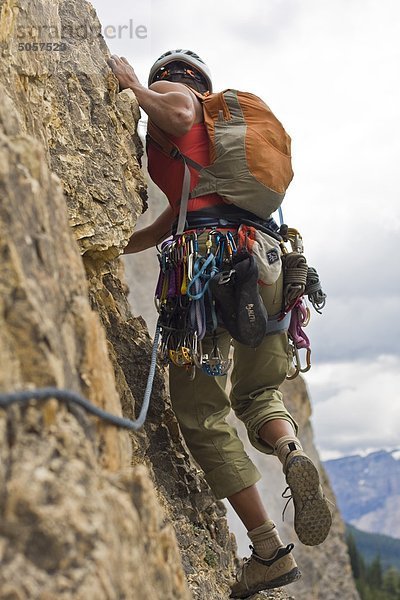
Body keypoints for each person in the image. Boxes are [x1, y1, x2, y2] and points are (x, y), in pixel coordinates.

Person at [107, 50, 332, 598]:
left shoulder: (182, 100)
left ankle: (268, 549)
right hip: (269, 263)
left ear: (176, 79)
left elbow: (179, 114)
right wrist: (116, 247)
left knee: (202, 413)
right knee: (258, 392)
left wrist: (136, 84)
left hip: (207, 270)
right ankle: (289, 452)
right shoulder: (217, 151)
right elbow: (172, 217)